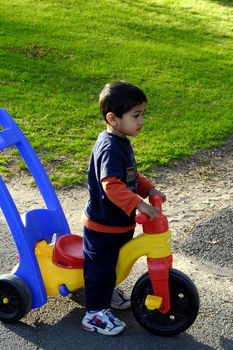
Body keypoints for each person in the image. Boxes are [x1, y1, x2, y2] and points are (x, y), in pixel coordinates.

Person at [81, 81, 166, 336]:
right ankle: (94, 313)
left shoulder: (121, 140)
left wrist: (149, 189)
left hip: (119, 223)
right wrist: (140, 204)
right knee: (101, 268)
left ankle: (107, 291)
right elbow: (112, 186)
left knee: (114, 264)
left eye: (143, 115)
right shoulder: (109, 147)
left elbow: (130, 176)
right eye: (136, 115)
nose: (141, 121)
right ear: (113, 118)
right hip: (103, 225)